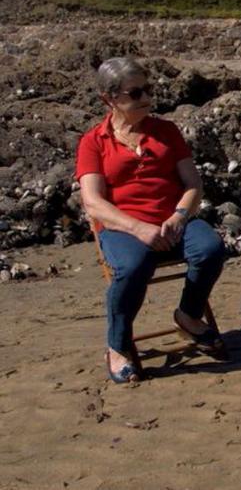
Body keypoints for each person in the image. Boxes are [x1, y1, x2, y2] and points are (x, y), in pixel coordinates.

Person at [77, 57, 227, 384]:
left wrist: (178, 216)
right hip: (123, 226)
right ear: (109, 99)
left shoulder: (166, 130)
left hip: (172, 220)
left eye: (148, 89)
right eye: (134, 93)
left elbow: (193, 185)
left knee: (212, 248)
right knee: (133, 266)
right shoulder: (93, 141)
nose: (145, 98)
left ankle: (187, 315)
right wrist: (138, 228)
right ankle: (117, 345)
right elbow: (93, 203)